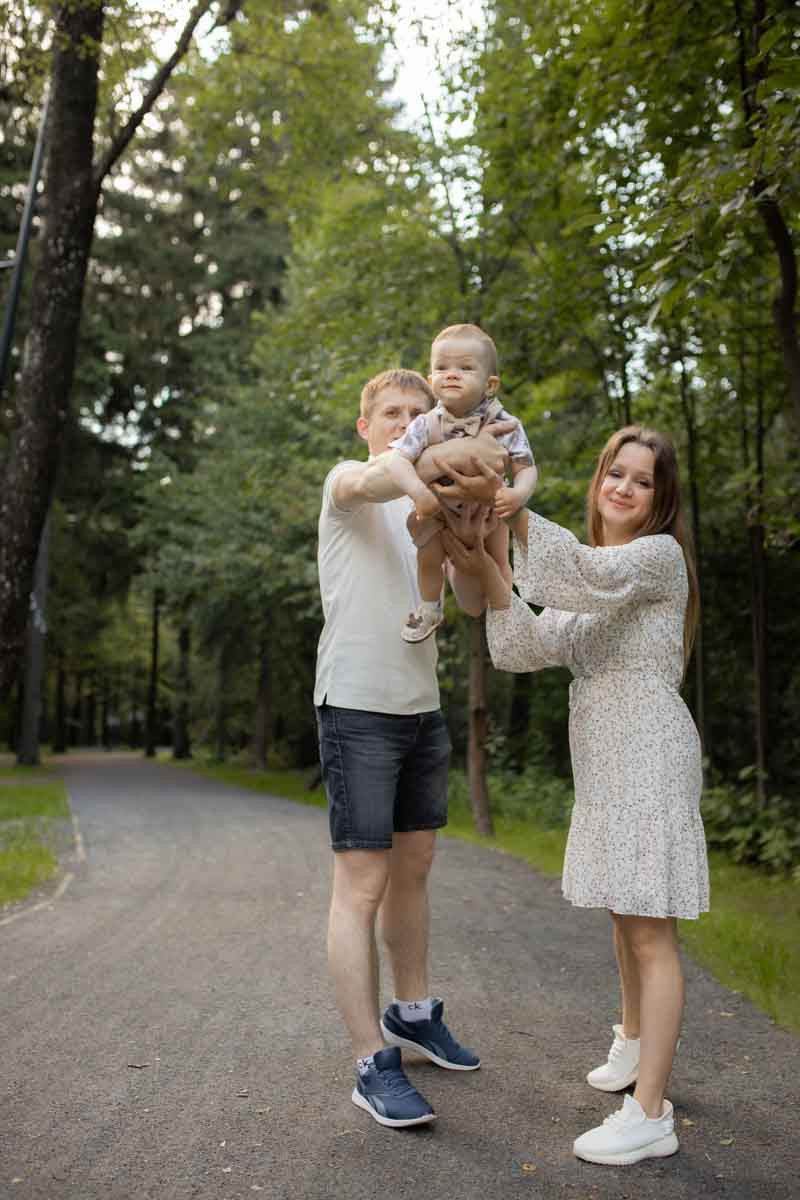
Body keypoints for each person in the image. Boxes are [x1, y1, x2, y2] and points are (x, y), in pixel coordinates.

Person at [438, 426, 710, 1166]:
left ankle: (649, 1114)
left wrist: (513, 506)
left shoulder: (654, 559)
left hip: (648, 750)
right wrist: (490, 556)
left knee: (650, 931)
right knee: (627, 917)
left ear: (661, 499)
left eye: (641, 480)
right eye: (613, 473)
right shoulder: (600, 578)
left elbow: (575, 573)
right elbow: (527, 646)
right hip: (606, 755)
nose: (622, 487)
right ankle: (632, 1044)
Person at [314, 367, 512, 1129]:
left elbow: (468, 603)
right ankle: (372, 1062)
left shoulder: (431, 509)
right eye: (390, 412)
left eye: (418, 412)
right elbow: (372, 485)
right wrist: (428, 468)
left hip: (420, 709)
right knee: (360, 885)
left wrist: (478, 528)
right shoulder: (350, 481)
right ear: (365, 426)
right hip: (357, 709)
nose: (404, 421)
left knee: (416, 869)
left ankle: (412, 1011)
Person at [385, 324, 537, 643]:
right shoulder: (424, 425)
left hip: (489, 508)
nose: (452, 374)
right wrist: (418, 492)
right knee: (428, 557)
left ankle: (505, 614)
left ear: (490, 384)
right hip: (440, 510)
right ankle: (429, 608)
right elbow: (396, 461)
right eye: (442, 367)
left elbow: (526, 468)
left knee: (498, 557)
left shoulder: (505, 423)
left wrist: (518, 493)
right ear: (431, 381)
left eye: (465, 368)